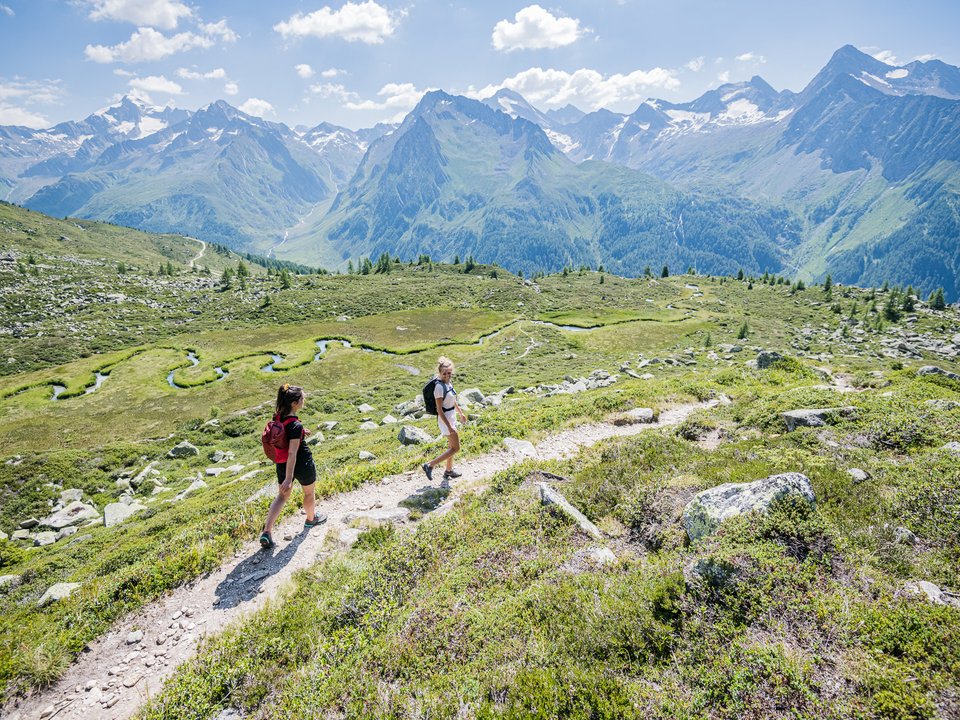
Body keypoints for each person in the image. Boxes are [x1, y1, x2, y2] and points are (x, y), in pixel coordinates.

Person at [260, 383, 325, 549]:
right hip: (301, 463)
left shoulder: (278, 417)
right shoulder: (295, 426)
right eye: (302, 398)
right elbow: (292, 453)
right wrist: (289, 478)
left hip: (281, 464)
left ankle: (267, 531)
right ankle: (311, 519)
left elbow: (285, 435)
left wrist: (303, 430)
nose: (305, 400)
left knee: (281, 497)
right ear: (294, 403)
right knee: (309, 492)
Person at [422, 356, 468, 488]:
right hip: (445, 419)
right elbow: (440, 410)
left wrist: (460, 413)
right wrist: (450, 427)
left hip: (451, 416)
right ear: (440, 373)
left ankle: (448, 471)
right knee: (456, 448)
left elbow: (453, 400)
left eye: (449, 373)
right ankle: (429, 465)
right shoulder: (439, 387)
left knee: (451, 447)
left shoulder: (448, 383)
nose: (447, 375)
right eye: (444, 373)